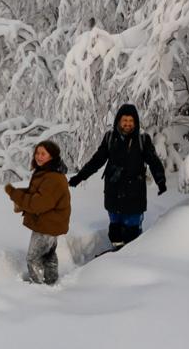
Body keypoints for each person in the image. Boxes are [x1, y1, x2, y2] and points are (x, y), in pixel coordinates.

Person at [71, 103, 167, 248]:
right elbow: (97, 161)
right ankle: (116, 252)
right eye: (124, 120)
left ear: (135, 122)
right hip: (113, 194)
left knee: (132, 232)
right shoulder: (110, 138)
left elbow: (153, 161)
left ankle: (131, 256)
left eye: (131, 121)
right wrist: (80, 177)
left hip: (134, 195)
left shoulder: (143, 140)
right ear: (118, 121)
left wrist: (160, 180)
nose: (127, 124)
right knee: (114, 230)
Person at [4, 139, 70, 284]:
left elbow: (37, 204)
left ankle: (39, 288)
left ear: (51, 156)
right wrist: (18, 194)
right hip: (52, 223)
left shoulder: (53, 178)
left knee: (33, 258)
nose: (39, 157)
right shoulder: (47, 172)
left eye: (43, 154)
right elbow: (37, 193)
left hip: (47, 225)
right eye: (37, 153)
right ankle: (51, 281)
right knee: (48, 254)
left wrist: (14, 194)